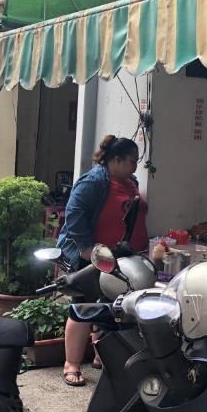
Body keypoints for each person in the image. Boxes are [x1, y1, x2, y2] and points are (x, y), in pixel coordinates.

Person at [57, 135, 149, 386]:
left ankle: (103, 356)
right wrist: (88, 250)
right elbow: (74, 216)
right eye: (131, 161)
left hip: (117, 256)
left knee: (111, 306)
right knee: (83, 307)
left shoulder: (129, 181)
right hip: (91, 255)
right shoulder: (94, 181)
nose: (134, 166)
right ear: (116, 159)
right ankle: (72, 364)